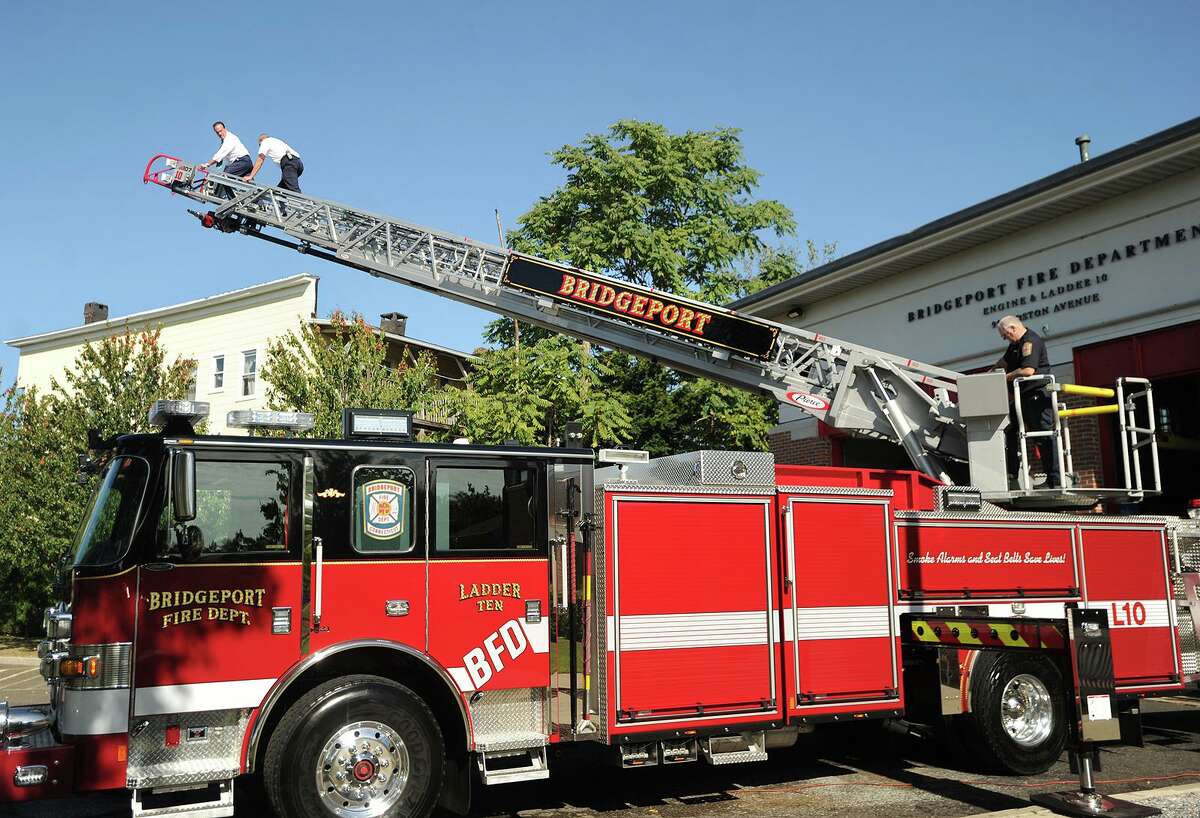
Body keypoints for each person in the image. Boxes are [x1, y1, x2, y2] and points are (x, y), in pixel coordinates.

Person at [995, 315, 1061, 488]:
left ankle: (1054, 480)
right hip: (1023, 397)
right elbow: (1003, 363)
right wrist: (986, 376)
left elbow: (1028, 370)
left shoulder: (1030, 341)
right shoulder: (1015, 345)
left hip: (1037, 396)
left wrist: (1004, 378)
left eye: (1005, 335)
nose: (1005, 339)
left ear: (1013, 328)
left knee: (1044, 436)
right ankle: (1012, 473)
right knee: (1009, 429)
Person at [198, 121, 252, 199]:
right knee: (249, 186)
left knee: (224, 178)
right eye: (217, 133)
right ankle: (257, 202)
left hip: (242, 162)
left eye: (221, 131)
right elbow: (222, 160)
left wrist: (207, 164)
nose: (220, 134)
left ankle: (233, 200)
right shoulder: (224, 141)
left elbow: (219, 155)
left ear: (225, 129)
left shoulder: (229, 139)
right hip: (242, 163)